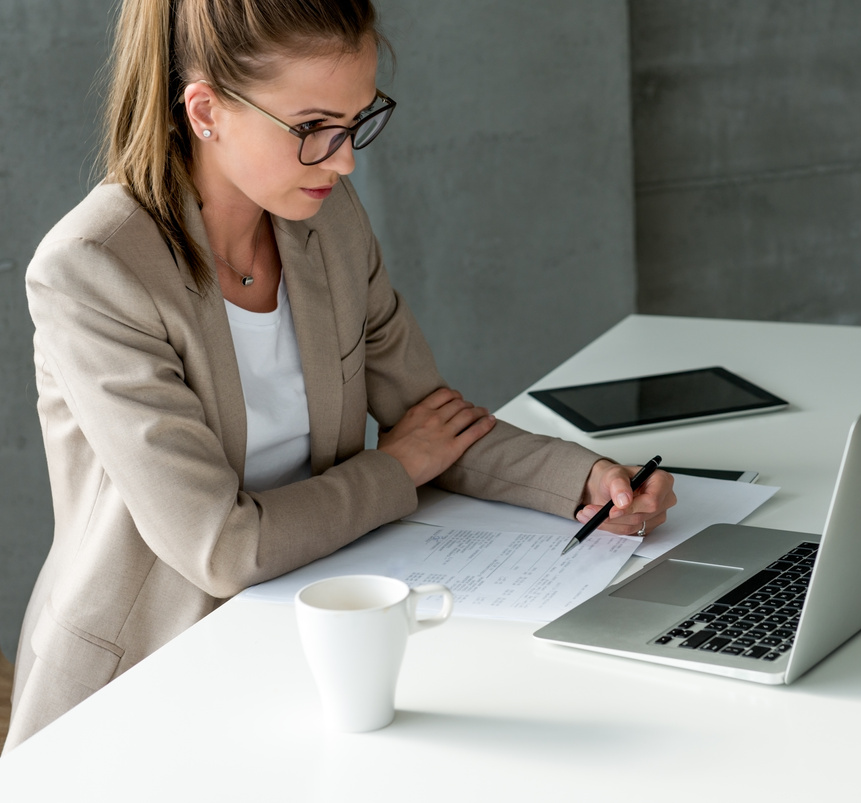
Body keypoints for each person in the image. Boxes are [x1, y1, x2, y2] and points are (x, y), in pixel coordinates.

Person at [4, 0, 675, 752]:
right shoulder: (93, 270)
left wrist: (583, 481)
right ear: (206, 111)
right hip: (155, 676)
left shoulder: (325, 218)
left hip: (316, 628)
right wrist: (393, 470)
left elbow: (427, 416)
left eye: (357, 121)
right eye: (313, 128)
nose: (346, 157)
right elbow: (219, 547)